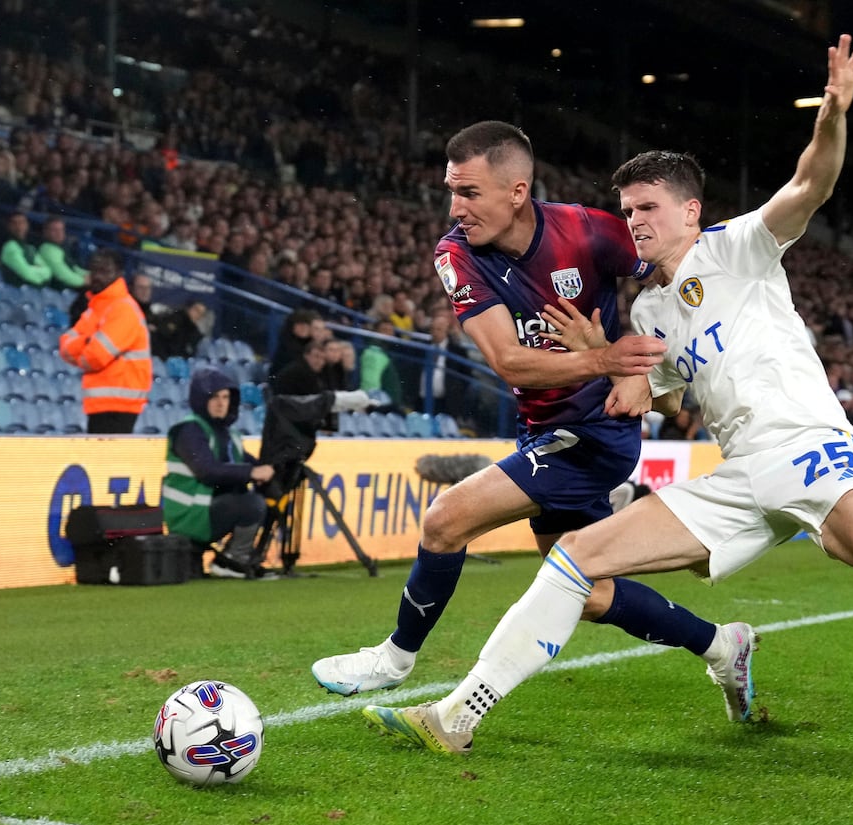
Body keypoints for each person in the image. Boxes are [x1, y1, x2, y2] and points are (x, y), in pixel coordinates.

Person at [358, 36, 853, 801]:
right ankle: (457, 716)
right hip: (740, 476)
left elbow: (811, 185)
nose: (634, 222)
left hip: (809, 451)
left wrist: (831, 116)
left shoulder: (737, 247)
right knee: (575, 558)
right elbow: (650, 398)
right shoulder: (651, 310)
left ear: (691, 210)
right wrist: (605, 357)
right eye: (626, 210)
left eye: (649, 207)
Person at [312, 120, 751, 719]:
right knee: (588, 592)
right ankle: (722, 644)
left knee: (445, 520)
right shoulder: (456, 254)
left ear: (517, 191)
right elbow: (507, 360)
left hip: (596, 431)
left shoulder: (586, 230)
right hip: (542, 429)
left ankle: (394, 658)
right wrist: (605, 358)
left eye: (469, 193)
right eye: (452, 191)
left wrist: (653, 368)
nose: (455, 208)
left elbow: (677, 269)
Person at [163, 367, 276, 578]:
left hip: (205, 508)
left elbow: (248, 463)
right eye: (214, 397)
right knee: (251, 504)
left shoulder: (228, 434)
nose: (221, 403)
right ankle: (233, 559)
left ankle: (242, 556)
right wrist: (252, 472)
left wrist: (268, 470)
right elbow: (207, 471)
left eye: (225, 397)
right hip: (188, 514)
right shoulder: (189, 430)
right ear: (201, 399)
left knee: (268, 496)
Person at [58, 249, 152, 434]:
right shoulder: (96, 308)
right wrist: (88, 342)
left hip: (119, 404)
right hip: (101, 402)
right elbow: (65, 348)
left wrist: (83, 346)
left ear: (119, 273)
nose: (98, 276)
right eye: (94, 270)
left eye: (105, 271)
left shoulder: (123, 309)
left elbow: (94, 357)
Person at [0, 211, 52, 287]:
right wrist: (39, 273)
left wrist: (31, 268)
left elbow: (48, 272)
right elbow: (27, 274)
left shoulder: (30, 248)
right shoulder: (10, 247)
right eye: (14, 223)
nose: (19, 227)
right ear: (9, 226)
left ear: (27, 225)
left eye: (22, 222)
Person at [38, 216, 87, 290]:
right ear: (46, 232)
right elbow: (64, 275)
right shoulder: (47, 249)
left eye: (61, 229)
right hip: (55, 291)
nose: (59, 233)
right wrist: (84, 281)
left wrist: (92, 276)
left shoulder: (61, 247)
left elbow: (74, 268)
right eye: (55, 230)